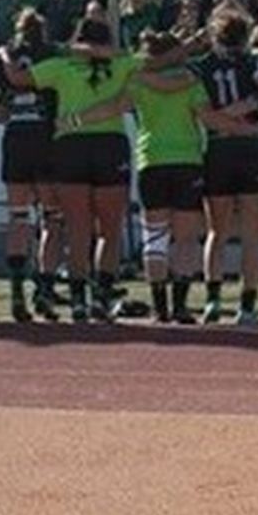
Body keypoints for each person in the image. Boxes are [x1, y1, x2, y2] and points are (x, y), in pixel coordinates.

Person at [68, 30, 213, 324]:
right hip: (187, 159)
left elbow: (111, 107)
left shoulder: (137, 82)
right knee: (185, 238)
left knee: (154, 237)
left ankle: (160, 306)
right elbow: (207, 117)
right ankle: (181, 305)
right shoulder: (190, 81)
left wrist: (75, 118)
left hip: (152, 160)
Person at [21, 18, 141, 322]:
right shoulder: (123, 62)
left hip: (70, 146)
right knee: (110, 231)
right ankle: (101, 296)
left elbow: (21, 78)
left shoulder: (61, 65)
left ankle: (77, 300)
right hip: (110, 144)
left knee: (78, 229)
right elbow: (145, 63)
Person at [193, 12, 258, 325]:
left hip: (218, 148)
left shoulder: (202, 65)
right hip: (248, 149)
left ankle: (213, 301)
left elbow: (204, 112)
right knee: (252, 233)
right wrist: (242, 123)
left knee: (217, 231)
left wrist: (223, 119)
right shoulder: (253, 63)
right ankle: (247, 306)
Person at [0, 10, 61, 322]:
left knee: (18, 217)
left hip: (17, 137)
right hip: (46, 137)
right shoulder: (52, 54)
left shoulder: (6, 55)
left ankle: (17, 290)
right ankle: (44, 288)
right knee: (51, 217)